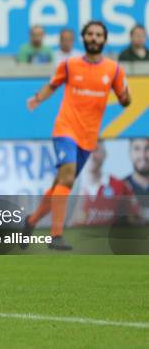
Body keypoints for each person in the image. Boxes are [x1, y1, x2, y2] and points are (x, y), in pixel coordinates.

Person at [21, 20, 131, 250]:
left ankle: (30, 222)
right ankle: (56, 236)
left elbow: (125, 101)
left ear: (104, 40)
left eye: (98, 35)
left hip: (88, 136)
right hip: (65, 129)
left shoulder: (113, 69)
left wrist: (127, 93)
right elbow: (52, 85)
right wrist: (37, 98)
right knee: (68, 177)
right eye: (90, 34)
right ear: (83, 38)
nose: (94, 38)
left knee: (60, 185)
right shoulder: (69, 64)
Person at [71, 141, 138, 227]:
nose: (90, 155)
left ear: (104, 154)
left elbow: (135, 219)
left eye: (95, 150)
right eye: (85, 151)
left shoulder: (120, 186)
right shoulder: (67, 188)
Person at [124, 138, 149, 219]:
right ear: (130, 153)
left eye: (147, 148)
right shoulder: (119, 187)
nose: (142, 155)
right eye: (137, 149)